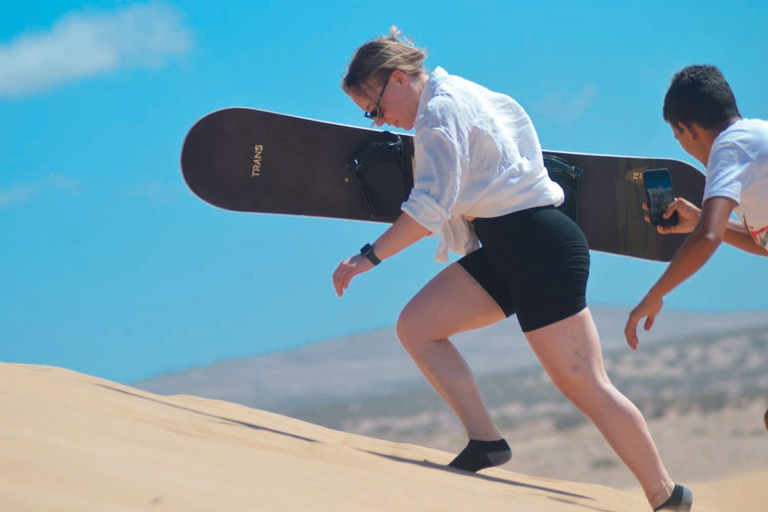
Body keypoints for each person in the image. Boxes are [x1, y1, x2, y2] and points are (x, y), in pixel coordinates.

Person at [332, 27, 691, 511]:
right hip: (509, 244)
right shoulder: (460, 91)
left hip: (541, 249)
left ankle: (667, 495)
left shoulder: (438, 115)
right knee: (417, 327)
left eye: (374, 109)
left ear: (397, 80)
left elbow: (428, 210)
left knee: (584, 384)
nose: (380, 123)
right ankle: (486, 442)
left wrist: (367, 256)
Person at [625, 66, 768, 350]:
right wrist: (703, 220)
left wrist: (655, 294)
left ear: (687, 129)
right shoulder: (754, 137)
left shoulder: (729, 147)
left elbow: (708, 237)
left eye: (678, 140)